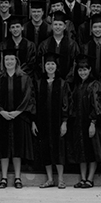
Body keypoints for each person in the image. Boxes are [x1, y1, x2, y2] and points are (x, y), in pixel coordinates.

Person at [0, 48, 36, 189]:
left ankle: (17, 177)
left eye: (12, 59)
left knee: (17, 148)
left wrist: (18, 111)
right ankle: (3, 178)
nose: (9, 62)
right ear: (3, 62)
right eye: (7, 59)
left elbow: (28, 96)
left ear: (16, 61)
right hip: (2, 117)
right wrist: (1, 111)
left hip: (19, 117)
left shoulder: (25, 78)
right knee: (4, 148)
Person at [68, 54, 101, 189]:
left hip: (91, 124)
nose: (82, 72)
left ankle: (90, 179)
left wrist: (93, 123)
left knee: (92, 150)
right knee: (81, 151)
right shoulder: (76, 85)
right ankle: (83, 179)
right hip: (78, 123)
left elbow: (99, 106)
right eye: (80, 70)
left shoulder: (95, 85)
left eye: (85, 70)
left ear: (90, 69)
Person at [34, 52, 69, 189]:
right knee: (45, 148)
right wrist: (33, 121)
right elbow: (34, 103)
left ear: (56, 66)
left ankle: (60, 179)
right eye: (48, 64)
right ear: (44, 66)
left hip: (58, 121)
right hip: (42, 121)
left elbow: (66, 103)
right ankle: (49, 179)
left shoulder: (62, 83)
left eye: (52, 64)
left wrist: (64, 122)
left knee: (58, 149)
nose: (50, 66)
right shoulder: (39, 83)